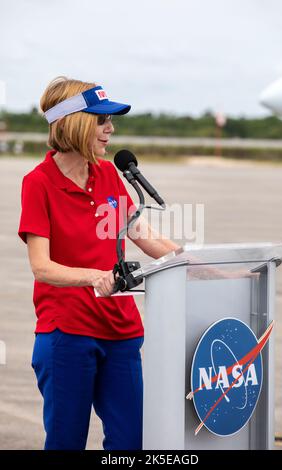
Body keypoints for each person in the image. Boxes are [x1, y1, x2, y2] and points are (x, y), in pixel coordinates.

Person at [17, 76, 180, 450]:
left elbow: (145, 236)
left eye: (110, 121)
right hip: (67, 336)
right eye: (101, 120)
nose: (110, 129)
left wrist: (204, 266)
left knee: (131, 443)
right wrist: (94, 276)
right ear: (74, 123)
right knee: (66, 442)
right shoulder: (38, 183)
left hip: (121, 332)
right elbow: (41, 267)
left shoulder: (108, 174)